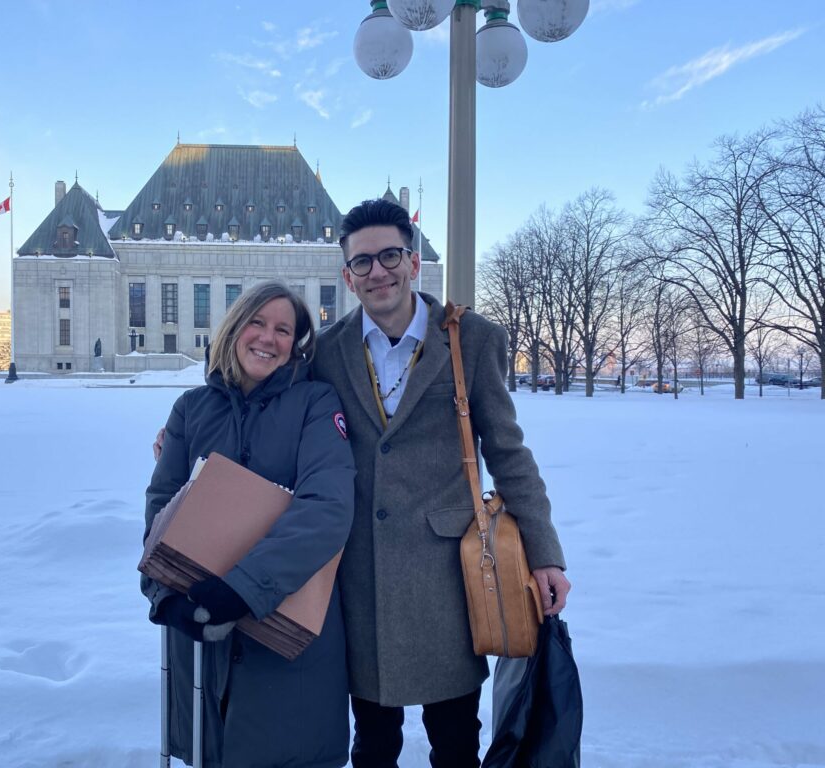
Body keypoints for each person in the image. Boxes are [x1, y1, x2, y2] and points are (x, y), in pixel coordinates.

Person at [311, 198, 570, 768]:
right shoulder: (327, 352)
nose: (377, 271)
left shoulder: (469, 339)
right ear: (348, 278)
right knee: (373, 743)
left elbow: (508, 451)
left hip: (450, 579)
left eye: (389, 256)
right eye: (362, 263)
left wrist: (545, 553)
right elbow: (277, 414)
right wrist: (190, 435)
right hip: (361, 576)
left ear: (414, 263)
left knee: (455, 741)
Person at [142, 280, 356, 768]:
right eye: (258, 322)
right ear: (235, 327)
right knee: (208, 750)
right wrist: (163, 594)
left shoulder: (316, 405)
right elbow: (161, 504)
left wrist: (244, 589)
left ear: (296, 344)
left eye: (284, 329)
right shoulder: (191, 409)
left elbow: (325, 509)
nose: (268, 337)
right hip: (198, 637)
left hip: (283, 632)